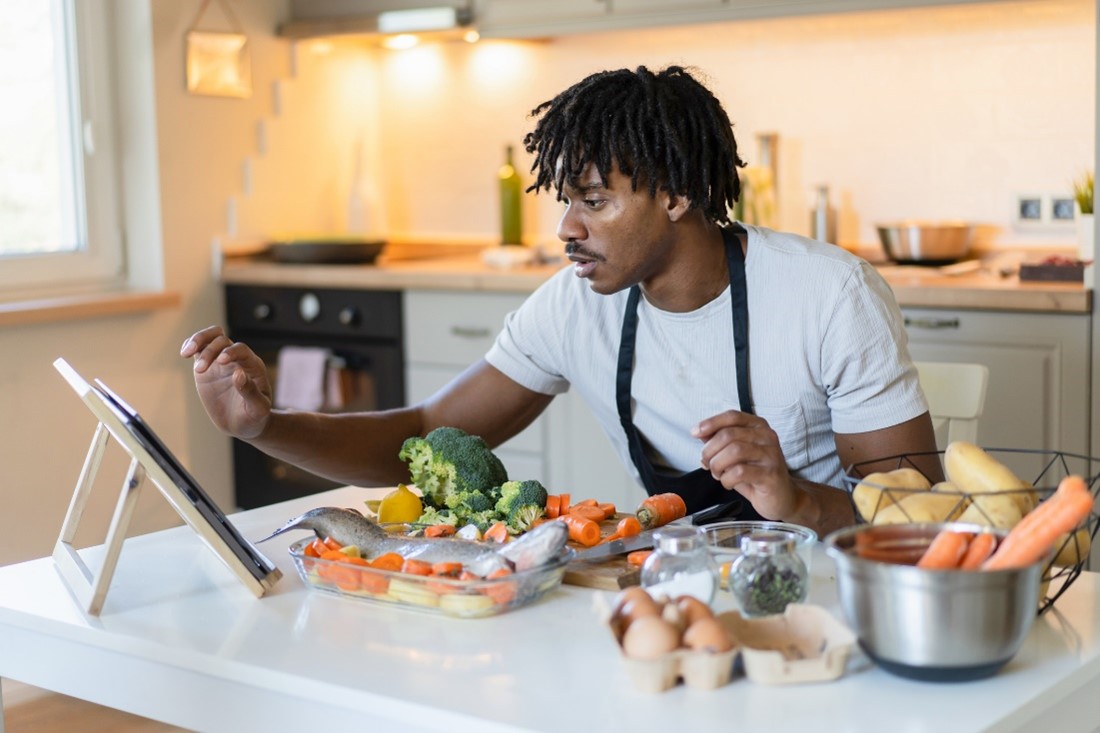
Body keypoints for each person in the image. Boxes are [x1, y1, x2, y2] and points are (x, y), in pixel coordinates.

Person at [181, 65, 937, 538]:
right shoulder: (575, 304)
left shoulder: (827, 294)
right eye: (566, 201)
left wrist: (792, 495)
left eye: (596, 202)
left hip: (837, 587)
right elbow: (421, 434)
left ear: (677, 195)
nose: (566, 230)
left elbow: (920, 511)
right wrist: (265, 426)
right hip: (673, 582)